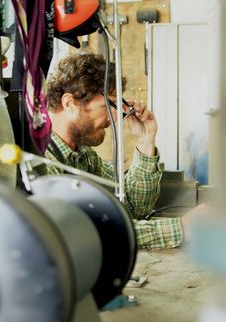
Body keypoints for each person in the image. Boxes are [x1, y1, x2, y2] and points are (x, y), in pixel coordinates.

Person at [44, 53, 202, 249]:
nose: (116, 117)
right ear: (70, 104)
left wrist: (145, 140)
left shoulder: (83, 156)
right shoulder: (42, 163)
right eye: (107, 106)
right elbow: (85, 234)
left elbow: (133, 207)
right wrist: (181, 228)